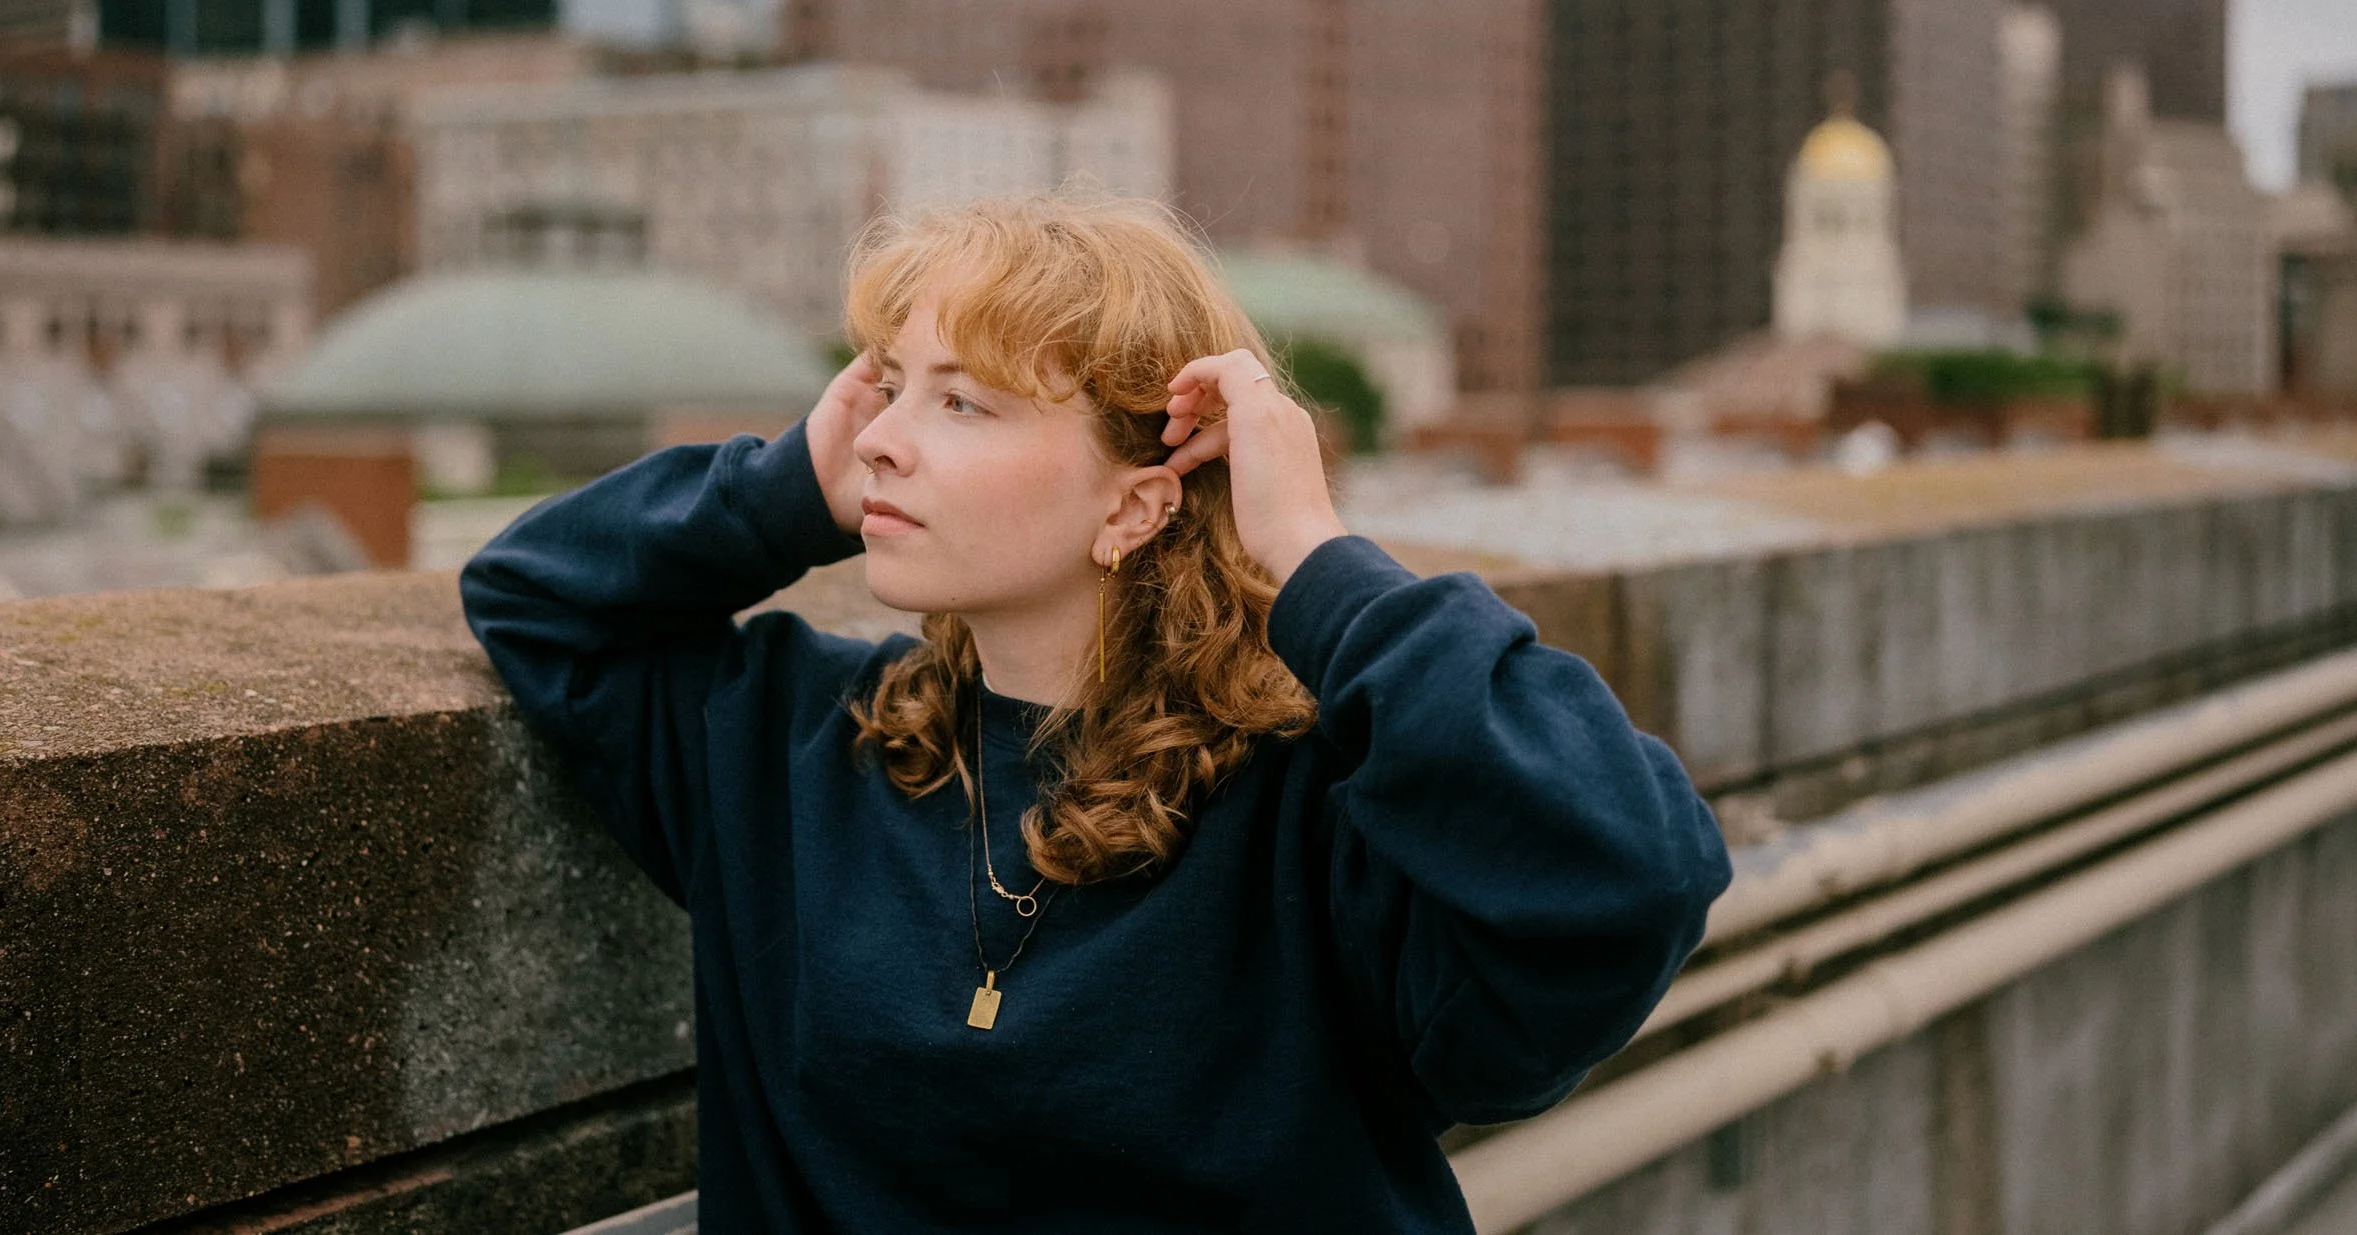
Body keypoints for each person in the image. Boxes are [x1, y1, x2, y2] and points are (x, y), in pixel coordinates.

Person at [460, 194, 1731, 1233]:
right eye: (888, 383)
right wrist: (789, 483)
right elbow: (532, 596)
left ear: (1135, 505)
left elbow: (1633, 873)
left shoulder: (1320, 809)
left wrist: (1314, 558)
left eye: (962, 401)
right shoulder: (788, 741)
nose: (888, 439)